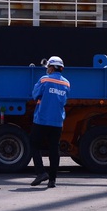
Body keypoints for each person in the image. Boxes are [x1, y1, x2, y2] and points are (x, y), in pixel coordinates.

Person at [30, 56, 70, 188]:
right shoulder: (66, 84)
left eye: (48, 67)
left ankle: (41, 172)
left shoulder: (44, 79)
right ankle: (52, 180)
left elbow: (35, 94)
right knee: (54, 149)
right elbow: (64, 101)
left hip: (41, 119)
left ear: (52, 67)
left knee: (34, 145)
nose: (47, 69)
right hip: (57, 121)